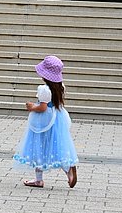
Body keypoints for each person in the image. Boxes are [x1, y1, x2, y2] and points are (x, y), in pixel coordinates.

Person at [13, 55, 79, 188]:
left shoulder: (44, 89)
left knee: (38, 148)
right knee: (56, 147)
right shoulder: (61, 87)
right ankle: (68, 170)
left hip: (43, 122)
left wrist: (32, 107)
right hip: (57, 120)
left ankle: (38, 180)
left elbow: (42, 108)